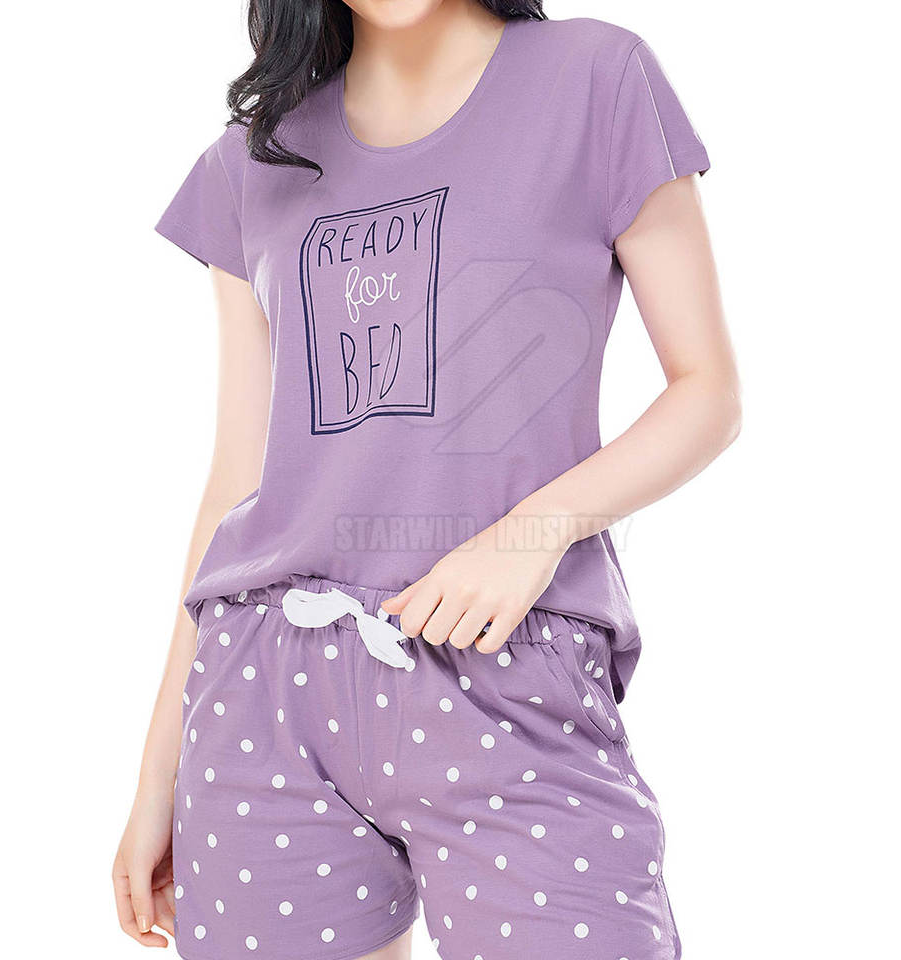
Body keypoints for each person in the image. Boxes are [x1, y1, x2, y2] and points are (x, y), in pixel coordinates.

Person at [113, 2, 741, 958]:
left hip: (505, 665)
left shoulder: (594, 77)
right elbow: (236, 483)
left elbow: (707, 393)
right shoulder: (252, 158)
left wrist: (534, 532)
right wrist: (156, 776)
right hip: (265, 694)